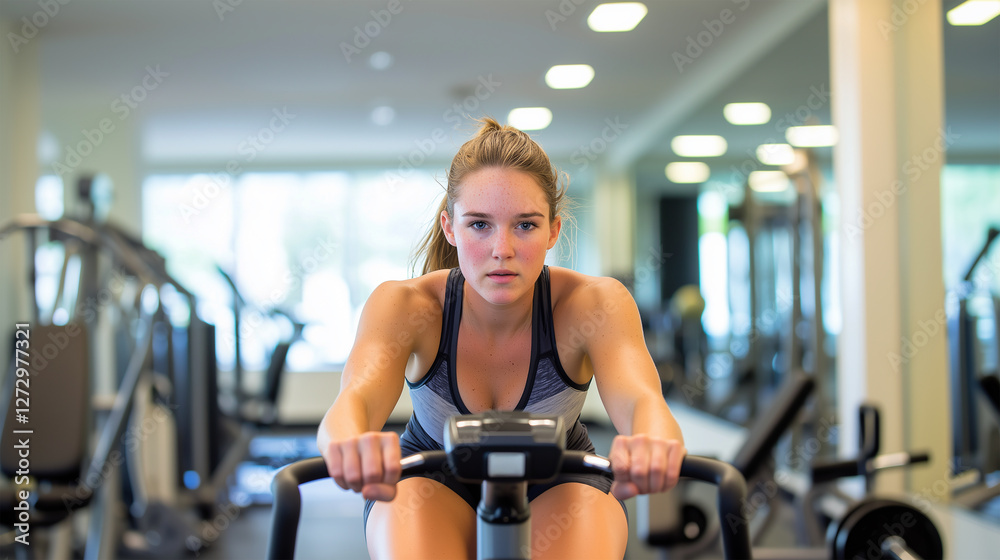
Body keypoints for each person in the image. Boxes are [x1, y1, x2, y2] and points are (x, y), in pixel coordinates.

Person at [318, 117, 686, 559]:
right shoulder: (405, 306)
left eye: (525, 225)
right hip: (433, 476)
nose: (502, 249)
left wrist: (653, 442)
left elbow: (645, 403)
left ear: (553, 229)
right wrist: (347, 441)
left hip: (560, 476)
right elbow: (353, 402)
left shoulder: (594, 304)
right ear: (450, 227)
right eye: (479, 225)